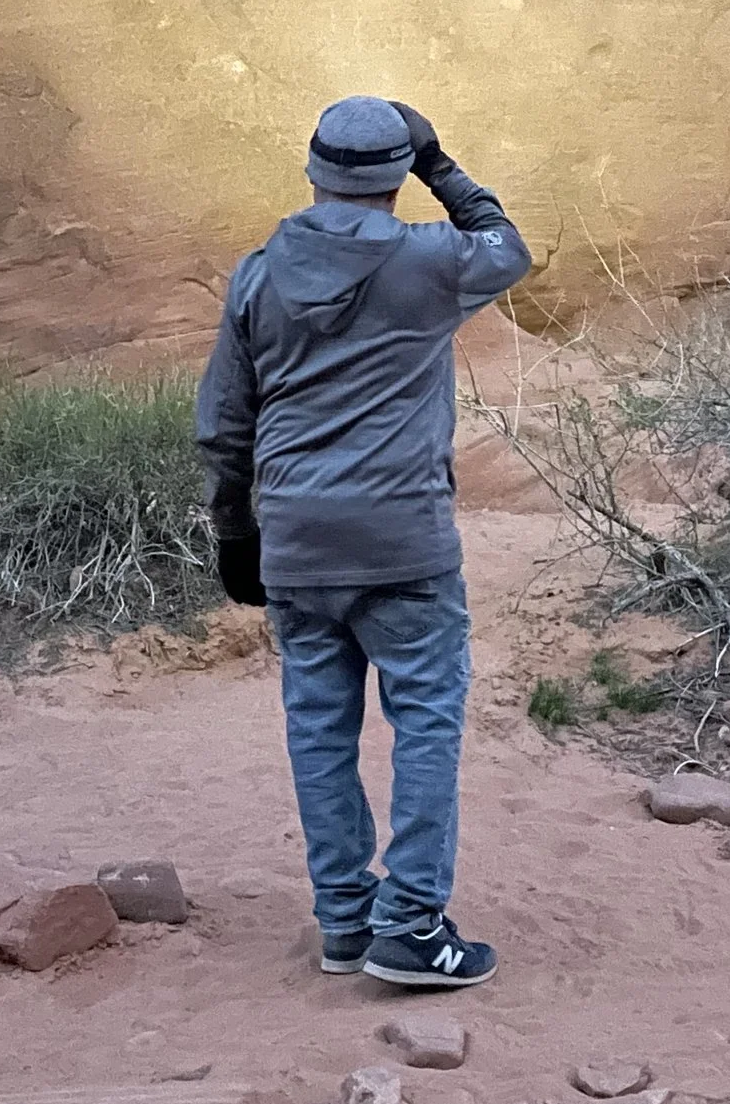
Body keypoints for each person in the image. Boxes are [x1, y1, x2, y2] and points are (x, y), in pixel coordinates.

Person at [195, 95, 532, 989]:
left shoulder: (258, 275)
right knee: (423, 721)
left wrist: (236, 533)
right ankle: (411, 924)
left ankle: (344, 921)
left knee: (318, 726)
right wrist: (440, 162)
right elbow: (509, 246)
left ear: (311, 170)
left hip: (297, 543)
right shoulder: (430, 261)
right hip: (404, 544)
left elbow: (225, 425)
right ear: (393, 175)